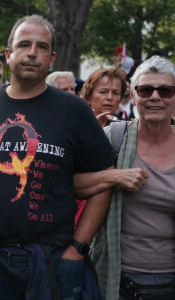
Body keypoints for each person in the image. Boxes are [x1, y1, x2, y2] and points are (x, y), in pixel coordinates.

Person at [0, 15, 115, 299]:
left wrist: (78, 248)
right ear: (8, 55)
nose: (32, 53)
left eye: (42, 47)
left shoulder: (74, 110)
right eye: (24, 44)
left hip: (52, 259)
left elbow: (106, 177)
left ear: (52, 58)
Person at [89, 56, 175, 300]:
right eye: (146, 90)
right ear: (134, 97)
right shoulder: (113, 138)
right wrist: (114, 176)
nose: (155, 97)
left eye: (166, 90)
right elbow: (72, 184)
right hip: (119, 280)